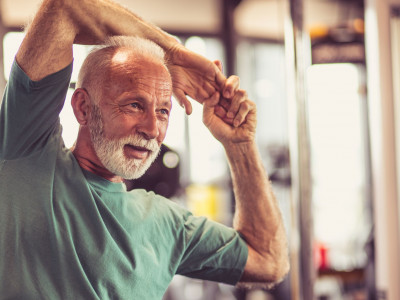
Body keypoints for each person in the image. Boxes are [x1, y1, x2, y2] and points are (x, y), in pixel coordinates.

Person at [0, 0, 289, 298]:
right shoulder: (29, 153)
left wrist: (240, 146)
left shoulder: (167, 225)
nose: (153, 130)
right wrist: (172, 52)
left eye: (163, 111)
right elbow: (64, 9)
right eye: (135, 105)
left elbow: (268, 260)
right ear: (84, 108)